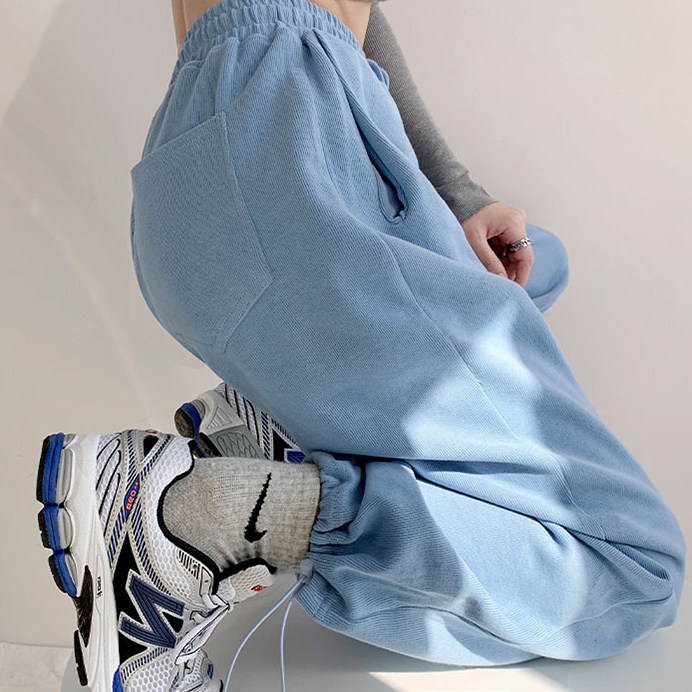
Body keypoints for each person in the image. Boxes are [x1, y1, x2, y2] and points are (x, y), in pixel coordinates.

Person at [36, 1, 686, 691]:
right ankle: (197, 516)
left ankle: (270, 429)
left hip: (205, 181)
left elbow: (356, 19)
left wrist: (456, 196)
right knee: (637, 569)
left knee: (541, 264)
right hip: (292, 165)